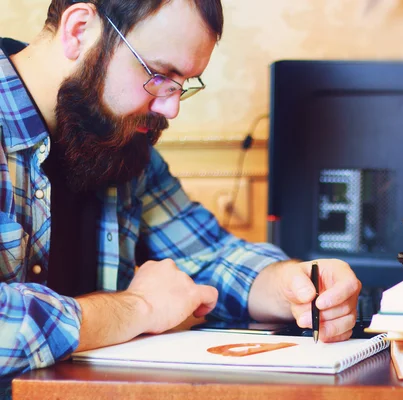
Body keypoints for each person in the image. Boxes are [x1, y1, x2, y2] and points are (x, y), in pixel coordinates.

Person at [0, 0, 361, 378]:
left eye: (181, 85)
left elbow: (208, 257)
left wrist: (294, 286)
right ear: (78, 31)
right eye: (158, 75)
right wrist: (138, 307)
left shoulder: (118, 144)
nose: (171, 109)